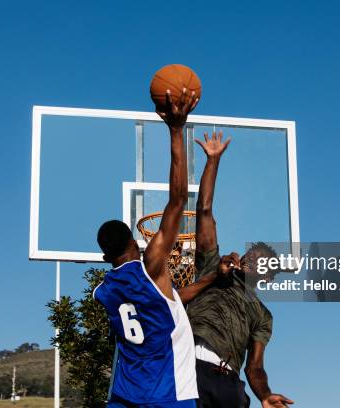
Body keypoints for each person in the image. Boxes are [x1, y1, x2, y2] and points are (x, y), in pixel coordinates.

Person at [93, 89, 199, 407]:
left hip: (125, 395)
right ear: (136, 242)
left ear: (105, 256)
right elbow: (178, 199)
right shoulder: (151, 266)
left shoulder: (104, 292)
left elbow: (169, 301)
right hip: (168, 393)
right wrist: (176, 130)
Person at [179, 131, 294, 408]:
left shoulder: (262, 315)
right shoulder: (212, 267)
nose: (249, 258)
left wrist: (265, 395)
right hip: (188, 369)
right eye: (249, 253)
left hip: (227, 381)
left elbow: (254, 367)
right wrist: (213, 161)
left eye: (259, 259)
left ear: (266, 275)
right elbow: (204, 210)